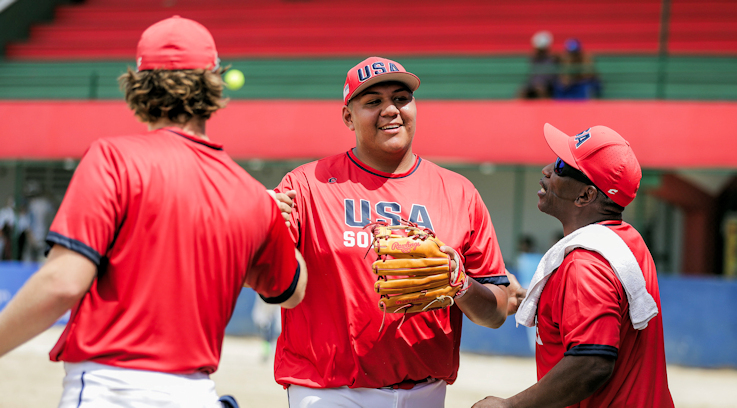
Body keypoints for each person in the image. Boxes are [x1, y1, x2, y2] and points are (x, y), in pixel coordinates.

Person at [0, 15, 307, 408]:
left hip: (110, 390)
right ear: (213, 85)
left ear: (138, 87)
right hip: (197, 393)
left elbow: (62, 283)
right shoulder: (250, 195)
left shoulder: (113, 158)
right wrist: (269, 219)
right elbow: (294, 290)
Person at [272, 56, 525, 408]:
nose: (390, 109)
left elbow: (496, 312)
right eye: (373, 101)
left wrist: (461, 285)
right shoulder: (306, 185)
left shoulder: (458, 192)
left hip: (425, 391)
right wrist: (261, 224)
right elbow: (267, 271)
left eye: (401, 98)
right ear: (348, 117)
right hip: (328, 392)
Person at [473, 124, 673, 407]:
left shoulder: (585, 265)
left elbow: (592, 363)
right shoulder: (626, 240)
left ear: (586, 196)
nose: (546, 170)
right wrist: (531, 295)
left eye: (560, 166)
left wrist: (511, 405)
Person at [519, 30, 559, 99]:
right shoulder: (535, 59)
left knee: (540, 90)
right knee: (523, 91)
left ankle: (546, 108)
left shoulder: (553, 59)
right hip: (534, 83)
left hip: (547, 84)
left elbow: (551, 76)